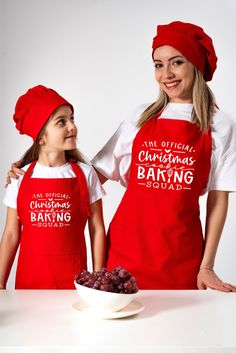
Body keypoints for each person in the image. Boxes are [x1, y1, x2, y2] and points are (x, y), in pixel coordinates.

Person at [6, 21, 236, 291]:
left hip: (181, 259)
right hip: (124, 256)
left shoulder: (219, 125)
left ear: (195, 65)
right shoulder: (140, 117)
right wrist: (34, 172)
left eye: (177, 62)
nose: (166, 74)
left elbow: (218, 201)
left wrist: (206, 266)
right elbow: (89, 177)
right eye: (158, 64)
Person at [0, 85, 106, 289]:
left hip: (76, 287)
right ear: (41, 137)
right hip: (29, 288)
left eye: (72, 118)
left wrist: (97, 278)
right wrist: (0, 284)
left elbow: (97, 228)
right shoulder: (19, 178)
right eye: (61, 122)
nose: (72, 127)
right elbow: (11, 234)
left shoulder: (85, 174)